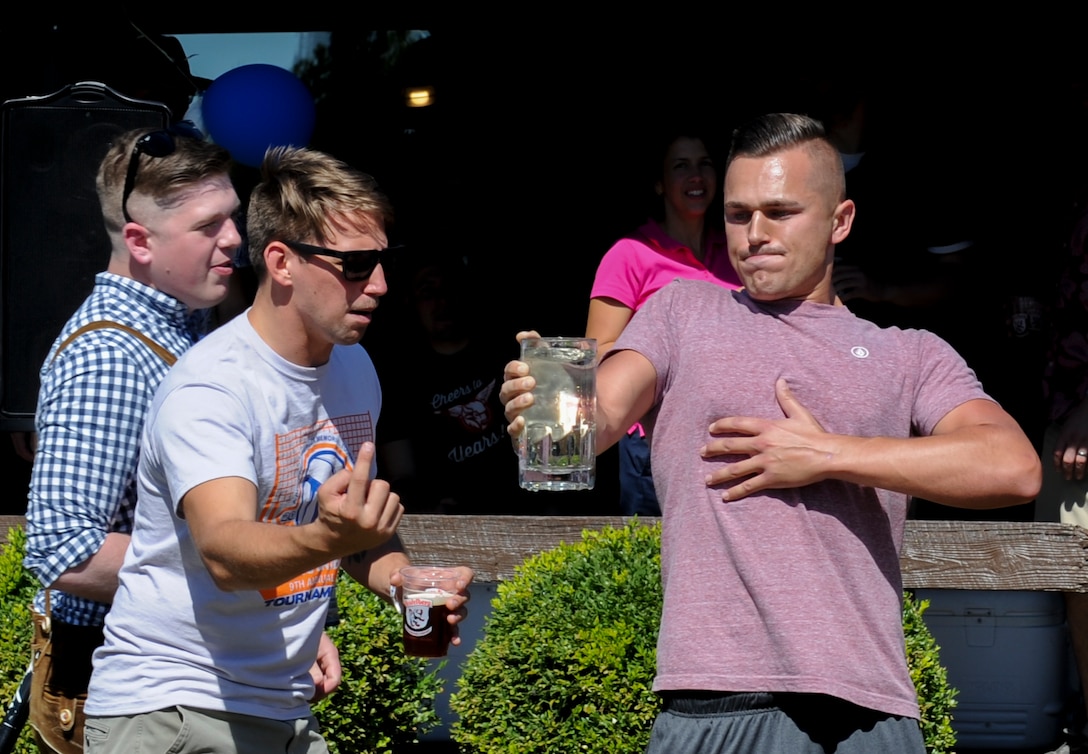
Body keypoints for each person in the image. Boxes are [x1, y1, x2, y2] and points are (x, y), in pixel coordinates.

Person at [502, 113, 1041, 753]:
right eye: (737, 214)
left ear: (840, 220)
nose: (754, 234)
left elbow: (1013, 467)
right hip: (713, 699)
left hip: (868, 710)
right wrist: (543, 408)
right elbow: (585, 431)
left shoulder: (909, 353)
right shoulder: (680, 312)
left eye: (780, 212)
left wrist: (829, 454)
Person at [82, 145, 473, 754]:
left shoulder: (354, 368)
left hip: (284, 707)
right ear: (282, 263)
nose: (380, 284)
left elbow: (353, 533)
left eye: (383, 261)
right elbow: (225, 553)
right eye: (355, 264)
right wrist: (328, 539)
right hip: (174, 711)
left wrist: (408, 582)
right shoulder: (213, 386)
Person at [21, 124, 248, 754]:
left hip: (176, 685)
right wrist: (242, 567)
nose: (235, 240)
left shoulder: (188, 330)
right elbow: (65, 550)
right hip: (121, 693)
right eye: (209, 227)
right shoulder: (111, 355)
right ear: (141, 241)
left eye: (232, 218)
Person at [586, 128, 742, 516]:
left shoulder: (739, 251)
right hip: (656, 438)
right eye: (681, 166)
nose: (696, 175)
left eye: (704, 164)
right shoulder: (630, 255)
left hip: (732, 436)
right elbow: (597, 352)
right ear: (659, 183)